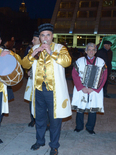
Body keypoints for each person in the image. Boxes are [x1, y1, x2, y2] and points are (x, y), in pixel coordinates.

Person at [22, 23, 72, 155]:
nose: (45, 38)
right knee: (39, 117)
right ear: (40, 36)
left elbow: (67, 62)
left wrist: (51, 52)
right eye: (43, 35)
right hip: (38, 89)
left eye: (48, 35)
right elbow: (24, 64)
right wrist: (33, 54)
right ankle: (40, 141)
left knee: (55, 119)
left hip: (54, 91)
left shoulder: (60, 48)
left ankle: (54, 145)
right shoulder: (35, 48)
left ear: (52, 36)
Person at [71, 43, 107, 135]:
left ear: (96, 51)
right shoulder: (79, 61)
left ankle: (90, 127)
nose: (91, 52)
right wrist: (81, 87)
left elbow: (104, 76)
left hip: (94, 90)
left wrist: (95, 89)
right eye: (89, 50)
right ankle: (79, 127)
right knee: (80, 108)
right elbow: (74, 74)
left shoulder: (101, 62)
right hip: (82, 90)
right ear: (86, 51)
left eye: (93, 50)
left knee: (92, 109)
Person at [24, 31, 40, 127]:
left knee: (41, 100)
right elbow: (26, 63)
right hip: (31, 79)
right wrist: (27, 71)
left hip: (41, 80)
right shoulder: (30, 50)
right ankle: (32, 119)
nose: (32, 41)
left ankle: (43, 121)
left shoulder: (45, 50)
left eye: (34, 39)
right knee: (31, 99)